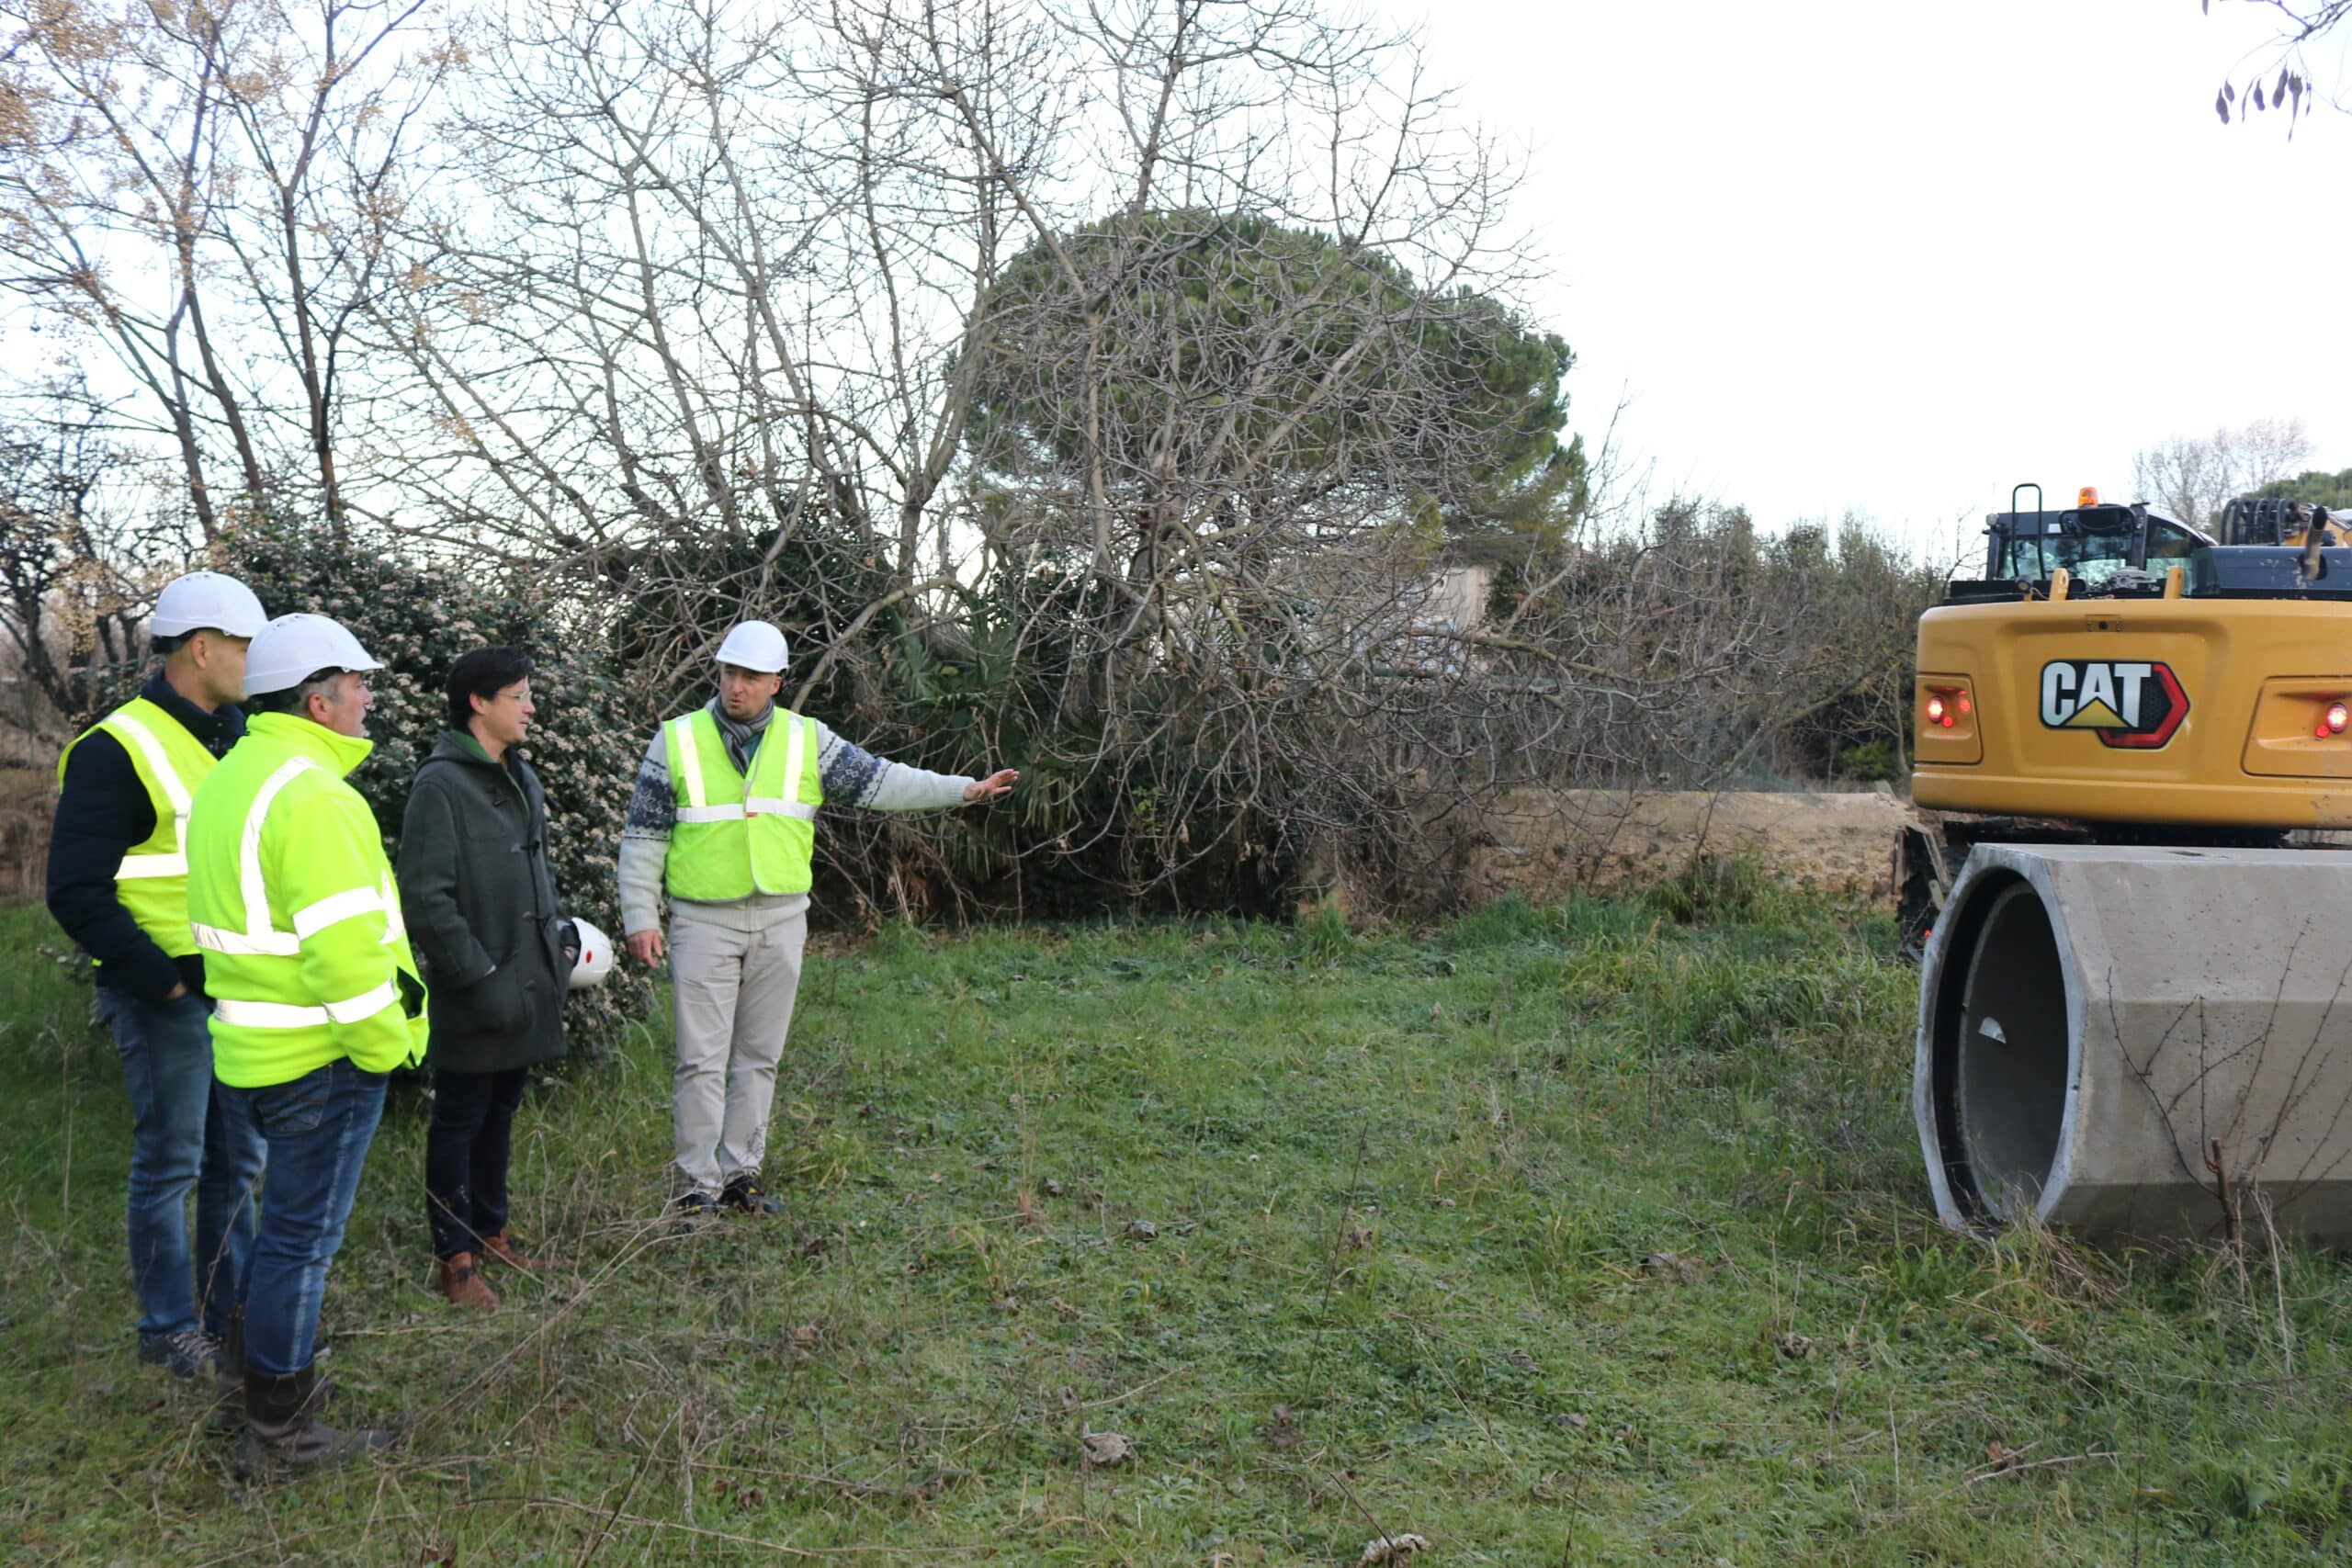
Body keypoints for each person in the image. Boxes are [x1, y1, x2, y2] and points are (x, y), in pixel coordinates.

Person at [619, 619, 1016, 1219]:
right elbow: (644, 836)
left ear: (777, 681)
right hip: (703, 921)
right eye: (729, 672)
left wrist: (964, 790)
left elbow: (883, 781)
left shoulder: (809, 741)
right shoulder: (674, 740)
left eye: (751, 676)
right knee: (700, 1058)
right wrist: (639, 915)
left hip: (781, 919)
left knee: (760, 1054)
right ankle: (695, 1185)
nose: (736, 686)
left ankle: (740, 1175)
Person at [186, 612, 427, 1471]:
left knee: (279, 1233)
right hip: (320, 1057)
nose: (368, 697)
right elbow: (343, 953)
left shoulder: (232, 777)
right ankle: (282, 1434)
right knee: (301, 1241)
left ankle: (254, 1391)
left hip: (247, 1051)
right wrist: (384, 1048)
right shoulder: (317, 794)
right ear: (319, 702)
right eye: (358, 683)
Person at [45, 571, 270, 1387]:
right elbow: (74, 891)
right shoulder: (117, 747)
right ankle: (170, 1331)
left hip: (242, 990)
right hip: (167, 995)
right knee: (172, 1162)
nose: (255, 660)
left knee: (237, 1161)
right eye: (245, 646)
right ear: (201, 648)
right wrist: (166, 986)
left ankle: (230, 1316)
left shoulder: (243, 737)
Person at [397, 648, 573, 1310]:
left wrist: (554, 954)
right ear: (479, 702)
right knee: (459, 1118)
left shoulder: (519, 775)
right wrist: (480, 975)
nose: (530, 707)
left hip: (531, 981)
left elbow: (540, 874)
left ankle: (492, 1231)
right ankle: (455, 1258)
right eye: (519, 695)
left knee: (501, 1111)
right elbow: (427, 900)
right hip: (478, 990)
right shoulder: (439, 785)